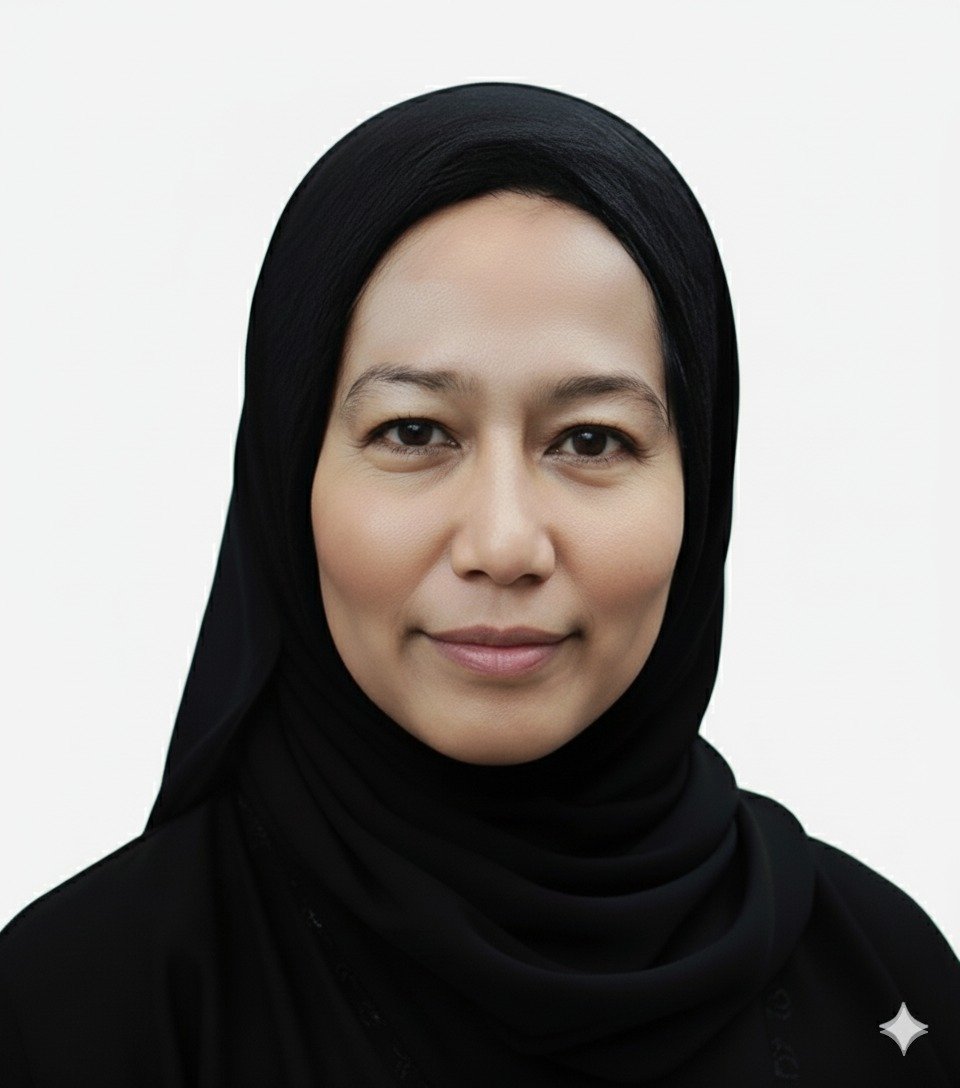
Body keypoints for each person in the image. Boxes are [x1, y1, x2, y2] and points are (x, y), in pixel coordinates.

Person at [1, 80, 958, 1087]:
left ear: (700, 485)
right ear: (288, 480)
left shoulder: (883, 981)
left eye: (591, 440)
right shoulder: (85, 1009)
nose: (504, 544)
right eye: (414, 431)